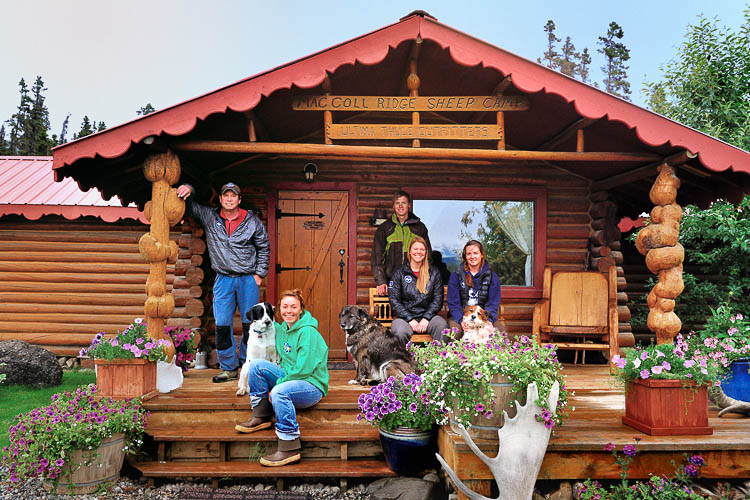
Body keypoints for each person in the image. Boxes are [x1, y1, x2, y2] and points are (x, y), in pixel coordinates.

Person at [176, 182, 270, 383]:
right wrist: (189, 189)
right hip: (223, 279)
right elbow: (192, 207)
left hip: (247, 279)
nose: (229, 199)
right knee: (223, 325)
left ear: (239, 200)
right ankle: (228, 368)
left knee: (250, 325)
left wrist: (259, 274)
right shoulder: (211, 217)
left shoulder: (251, 221)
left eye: (233, 196)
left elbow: (263, 246)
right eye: (225, 196)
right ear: (220, 199)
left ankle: (248, 364)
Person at [234, 289, 329, 467]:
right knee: (255, 366)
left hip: (311, 384)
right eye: (285, 307)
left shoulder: (307, 333)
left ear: (301, 309)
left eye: (294, 307)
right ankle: (261, 415)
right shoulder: (281, 328)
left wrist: (277, 384)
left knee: (279, 392)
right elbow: (260, 325)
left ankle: (289, 447)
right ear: (278, 311)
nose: (289, 311)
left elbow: (303, 369)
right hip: (290, 376)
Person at [388, 236, 448, 345]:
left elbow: (437, 299)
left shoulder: (434, 272)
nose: (418, 252)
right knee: (400, 332)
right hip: (404, 318)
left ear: (425, 253)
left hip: (428, 317)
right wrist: (410, 319)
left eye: (422, 249)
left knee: (441, 326)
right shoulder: (399, 273)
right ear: (410, 251)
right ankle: (402, 362)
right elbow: (394, 300)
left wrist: (426, 318)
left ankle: (438, 360)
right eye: (415, 249)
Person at [371, 190, 431, 296]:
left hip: (416, 280)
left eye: (403, 202)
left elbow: (428, 255)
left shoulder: (420, 227)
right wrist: (381, 281)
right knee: (396, 311)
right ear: (393, 206)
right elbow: (377, 257)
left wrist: (425, 278)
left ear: (409, 206)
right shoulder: (384, 228)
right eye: (397, 203)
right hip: (392, 281)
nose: (400, 206)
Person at [446, 240, 503, 337]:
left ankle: (494, 353)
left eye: (475, 253)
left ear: (482, 255)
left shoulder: (492, 276)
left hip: (483, 317)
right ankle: (455, 352)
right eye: (469, 254)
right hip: (461, 316)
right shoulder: (457, 275)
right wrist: (461, 320)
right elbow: (453, 303)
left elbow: (493, 303)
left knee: (500, 332)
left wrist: (488, 321)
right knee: (455, 331)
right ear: (465, 257)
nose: (472, 257)